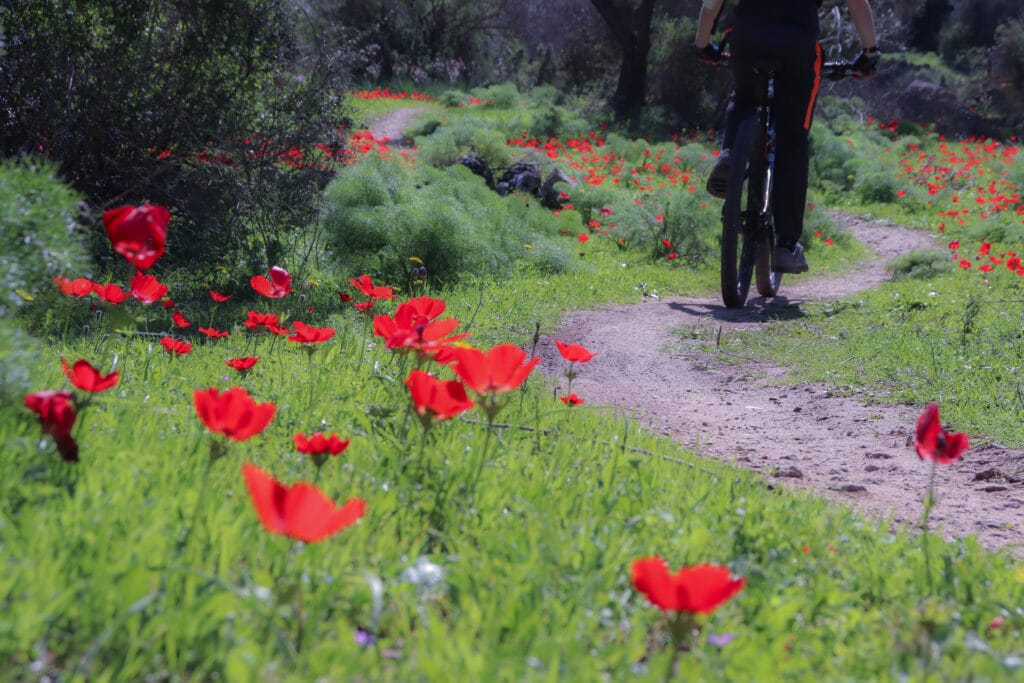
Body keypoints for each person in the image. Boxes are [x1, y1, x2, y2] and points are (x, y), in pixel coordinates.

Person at [694, 0, 879, 274]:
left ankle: (730, 155)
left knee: (744, 98)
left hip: (747, 37)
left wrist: (703, 43)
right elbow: (858, 5)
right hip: (797, 45)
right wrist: (869, 53)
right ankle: (786, 245)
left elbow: (712, 2)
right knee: (793, 138)